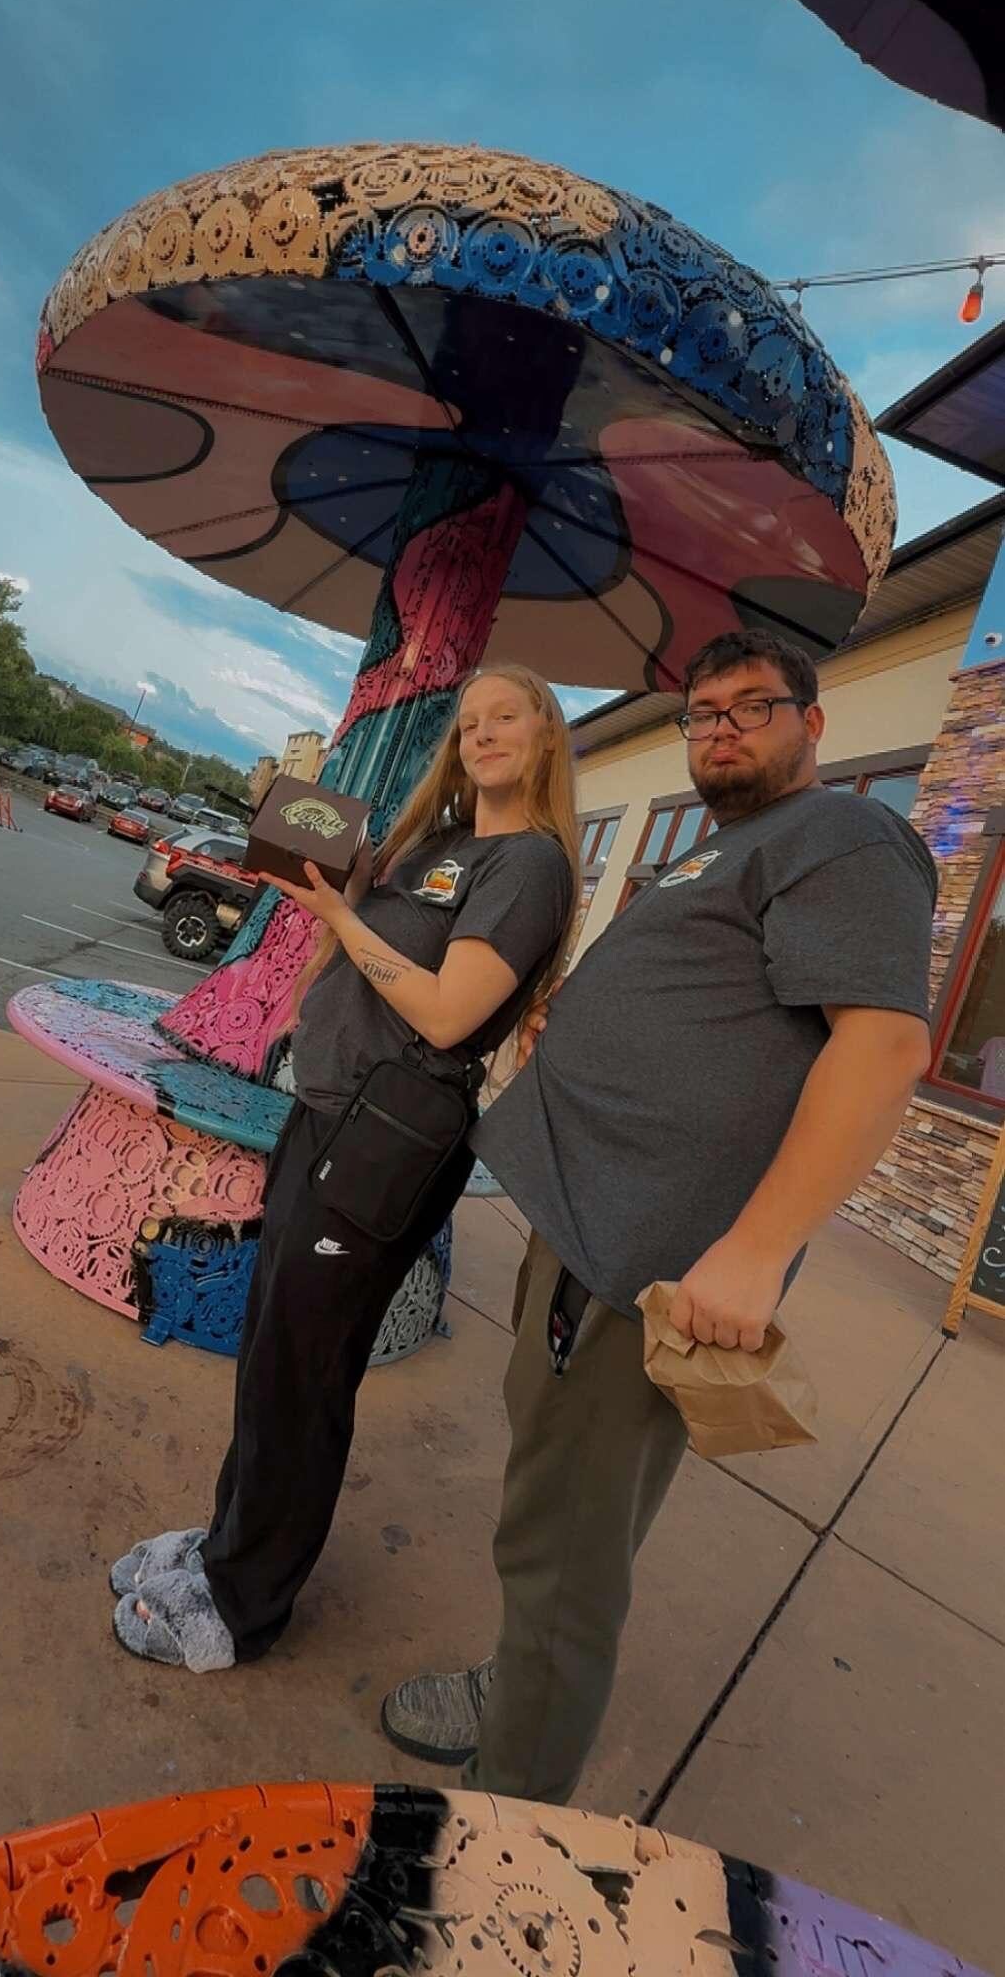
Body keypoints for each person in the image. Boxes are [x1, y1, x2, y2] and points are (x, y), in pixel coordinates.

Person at [381, 628, 937, 1803]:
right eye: (705, 713)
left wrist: (754, 1251)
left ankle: (507, 1823)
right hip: (584, 1227)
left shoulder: (844, 833)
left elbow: (882, 1046)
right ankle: (515, 1684)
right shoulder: (734, 850)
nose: (722, 727)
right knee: (560, 1518)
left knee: (564, 1550)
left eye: (755, 706)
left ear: (814, 726)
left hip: (651, 1262)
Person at [111, 664, 580, 1672]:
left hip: (389, 1139)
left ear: (548, 739)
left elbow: (452, 1012)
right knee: (273, 1344)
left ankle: (242, 1607)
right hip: (328, 1116)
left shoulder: (530, 867)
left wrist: (343, 921)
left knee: (306, 1372)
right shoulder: (448, 844)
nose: (484, 733)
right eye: (470, 721)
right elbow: (359, 895)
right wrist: (324, 852)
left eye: (509, 717)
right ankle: (230, 1543)